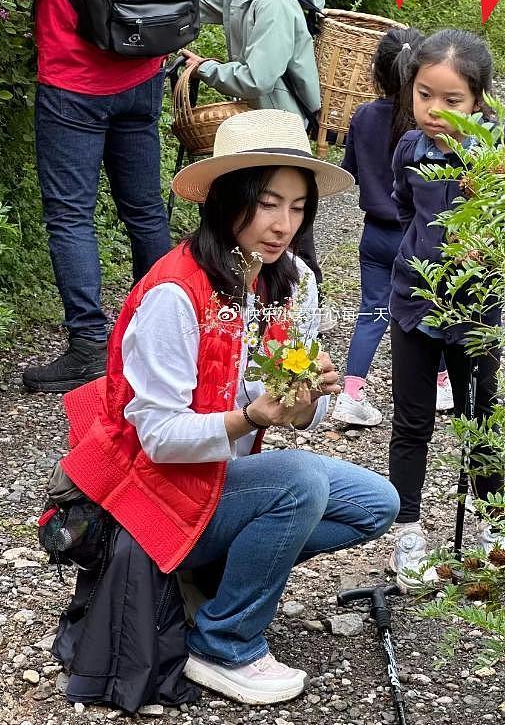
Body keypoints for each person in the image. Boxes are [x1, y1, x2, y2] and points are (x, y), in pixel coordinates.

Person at [56, 109, 400, 705]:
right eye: (267, 203)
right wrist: (250, 420)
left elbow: (292, 412)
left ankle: (219, 578)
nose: (282, 225)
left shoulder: (290, 280)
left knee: (377, 504)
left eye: (297, 207)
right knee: (297, 481)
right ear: (224, 198)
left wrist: (301, 405)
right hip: (150, 488)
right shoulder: (175, 291)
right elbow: (157, 436)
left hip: (220, 479)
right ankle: (225, 643)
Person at [0, 0, 174, 393]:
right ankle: (161, 335)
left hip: (73, 76)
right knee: (143, 210)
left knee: (71, 216)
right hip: (142, 65)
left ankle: (88, 348)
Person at [388, 29, 505, 591]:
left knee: (479, 415)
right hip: (415, 296)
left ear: (479, 99)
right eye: (424, 94)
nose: (434, 110)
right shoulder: (409, 150)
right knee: (411, 420)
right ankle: (408, 531)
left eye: (452, 100)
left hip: (478, 304)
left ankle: (491, 525)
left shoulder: (502, 151)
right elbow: (405, 205)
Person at [181, 0, 329, 327]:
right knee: (252, 219)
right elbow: (198, 4)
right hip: (254, 127)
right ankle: (250, 310)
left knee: (286, 223)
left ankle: (303, 315)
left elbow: (257, 78)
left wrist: (204, 68)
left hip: (279, 126)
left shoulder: (277, 3)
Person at [331, 27, 424, 427]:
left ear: (377, 74)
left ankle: (351, 394)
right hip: (416, 235)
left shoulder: (364, 115)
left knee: (372, 311)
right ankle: (438, 384)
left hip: (374, 235)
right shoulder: (425, 129)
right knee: (427, 310)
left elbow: (349, 172)